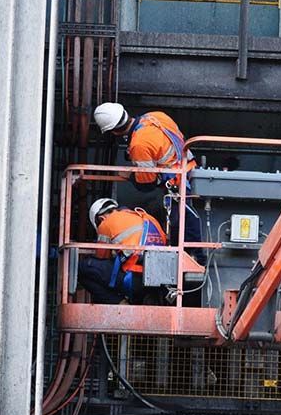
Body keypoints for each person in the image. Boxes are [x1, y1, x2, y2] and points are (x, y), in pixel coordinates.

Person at [92, 102, 202, 251]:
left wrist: (130, 176)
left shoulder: (139, 145)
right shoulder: (156, 116)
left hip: (179, 186)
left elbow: (147, 184)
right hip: (194, 173)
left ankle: (194, 262)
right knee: (189, 224)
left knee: (182, 231)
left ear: (114, 131)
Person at [78, 198, 167, 305]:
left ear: (101, 218)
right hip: (160, 281)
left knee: (83, 268)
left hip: (133, 279)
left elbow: (101, 258)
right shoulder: (146, 217)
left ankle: (119, 302)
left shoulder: (106, 223)